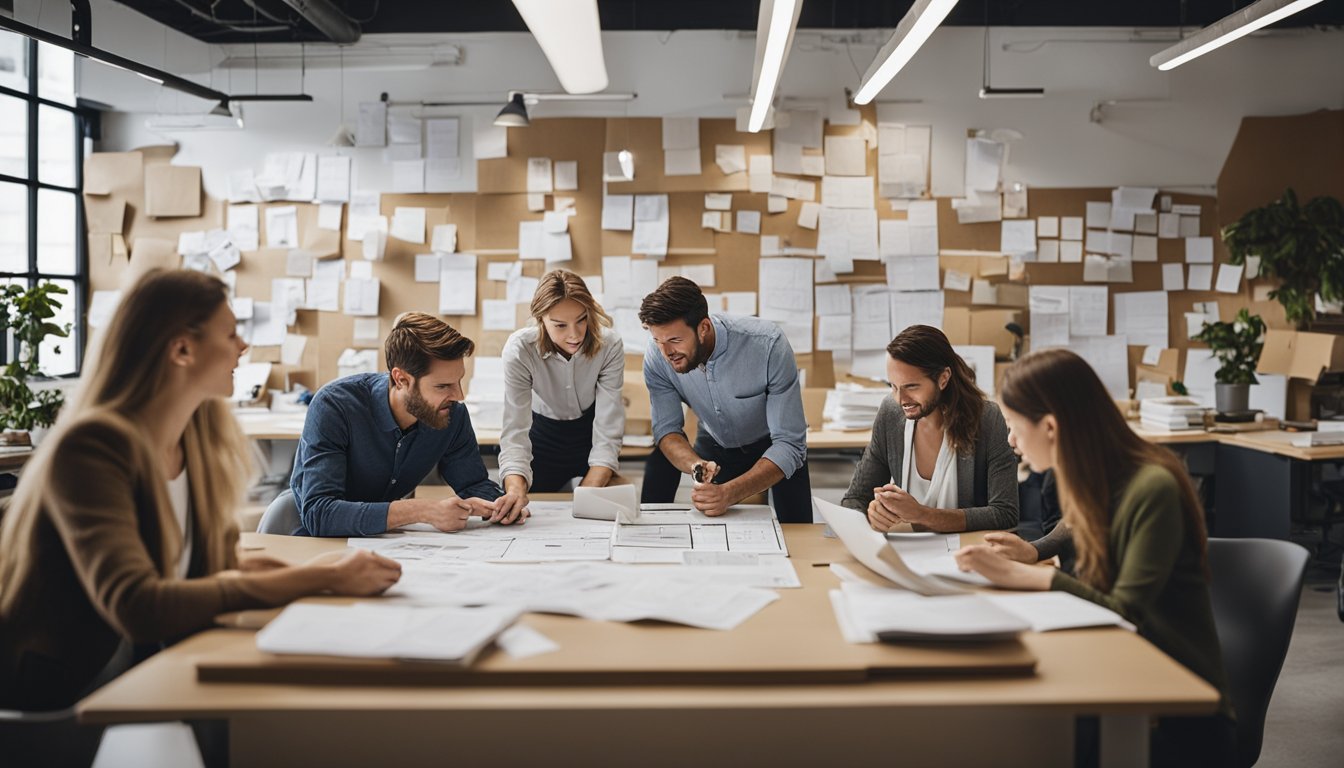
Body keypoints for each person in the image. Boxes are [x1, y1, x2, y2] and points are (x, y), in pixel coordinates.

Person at [0, 269, 400, 762]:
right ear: (182, 350)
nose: (244, 347)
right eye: (230, 332)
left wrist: (325, 577)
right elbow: (139, 606)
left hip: (142, 671)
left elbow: (213, 568)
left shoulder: (192, 438)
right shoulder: (92, 448)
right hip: (68, 696)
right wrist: (321, 579)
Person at [953, 348, 1236, 766]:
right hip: (1122, 675)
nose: (1010, 440)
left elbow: (1126, 612)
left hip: (1178, 714)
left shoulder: (1152, 486)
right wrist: (1034, 551)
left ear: (1050, 427)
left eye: (1014, 426)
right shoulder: (1096, 474)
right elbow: (1078, 522)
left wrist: (1025, 575)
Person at [288, 312, 525, 537]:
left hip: (390, 543)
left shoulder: (451, 413)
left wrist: (502, 506)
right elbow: (319, 514)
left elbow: (474, 484)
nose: (458, 395)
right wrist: (423, 511)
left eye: (458, 381)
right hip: (319, 543)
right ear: (401, 379)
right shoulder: (335, 406)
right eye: (442, 386)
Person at [639, 276, 812, 523]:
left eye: (675, 340)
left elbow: (790, 444)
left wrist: (730, 493)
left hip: (774, 446)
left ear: (703, 328)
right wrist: (695, 466)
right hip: (715, 444)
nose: (667, 353)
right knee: (713, 534)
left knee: (798, 532)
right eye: (658, 341)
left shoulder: (768, 345)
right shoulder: (658, 356)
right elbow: (667, 430)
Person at [841, 325, 1018, 532]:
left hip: (967, 553)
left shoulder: (987, 419)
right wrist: (870, 513)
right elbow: (854, 499)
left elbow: (1005, 513)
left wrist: (921, 514)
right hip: (909, 553)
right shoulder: (890, 413)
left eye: (911, 386)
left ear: (943, 378)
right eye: (893, 386)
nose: (900, 399)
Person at [497, 270, 625, 515]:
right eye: (560, 325)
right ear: (540, 319)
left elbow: (608, 432)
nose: (574, 334)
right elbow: (515, 431)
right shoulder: (520, 350)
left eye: (581, 320)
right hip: (543, 437)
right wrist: (514, 491)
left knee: (604, 508)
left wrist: (586, 498)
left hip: (589, 434)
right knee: (520, 507)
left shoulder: (609, 346)